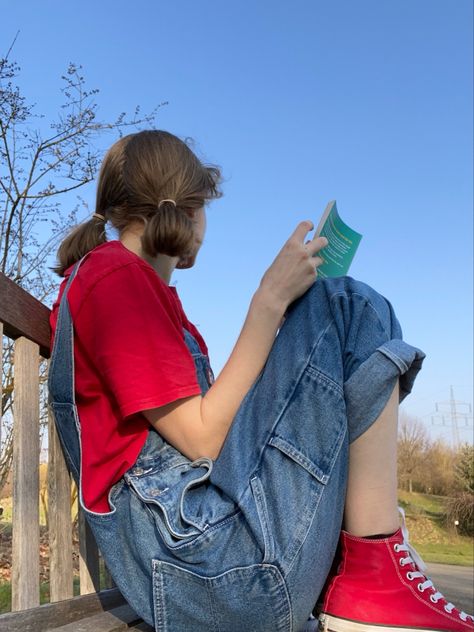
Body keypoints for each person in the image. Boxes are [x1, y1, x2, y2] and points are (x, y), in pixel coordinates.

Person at [48, 130, 473, 632]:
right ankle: (371, 569)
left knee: (338, 313)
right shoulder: (113, 276)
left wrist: (286, 340)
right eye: (204, 206)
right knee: (347, 305)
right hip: (209, 570)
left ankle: (370, 562)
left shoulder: (138, 290)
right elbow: (204, 437)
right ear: (184, 207)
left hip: (211, 563)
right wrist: (268, 301)